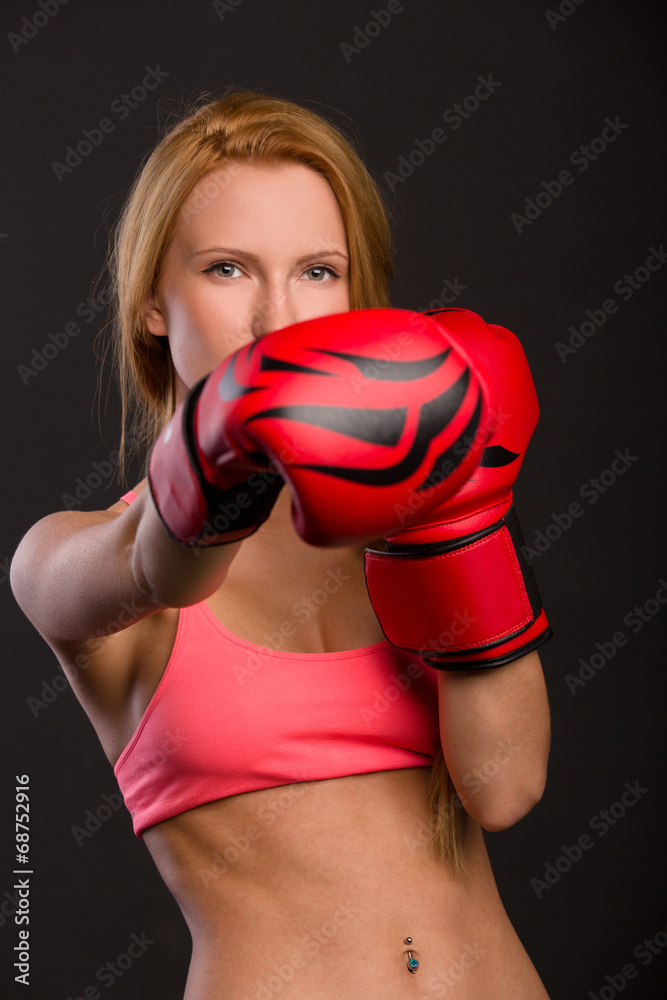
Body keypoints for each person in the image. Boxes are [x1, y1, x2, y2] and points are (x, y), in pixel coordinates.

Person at [11, 90, 553, 999]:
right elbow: (158, 565)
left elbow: (505, 790)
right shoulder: (68, 557)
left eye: (317, 271)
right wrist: (219, 452)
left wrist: (455, 520)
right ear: (152, 300)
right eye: (227, 270)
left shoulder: (408, 521)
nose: (278, 319)